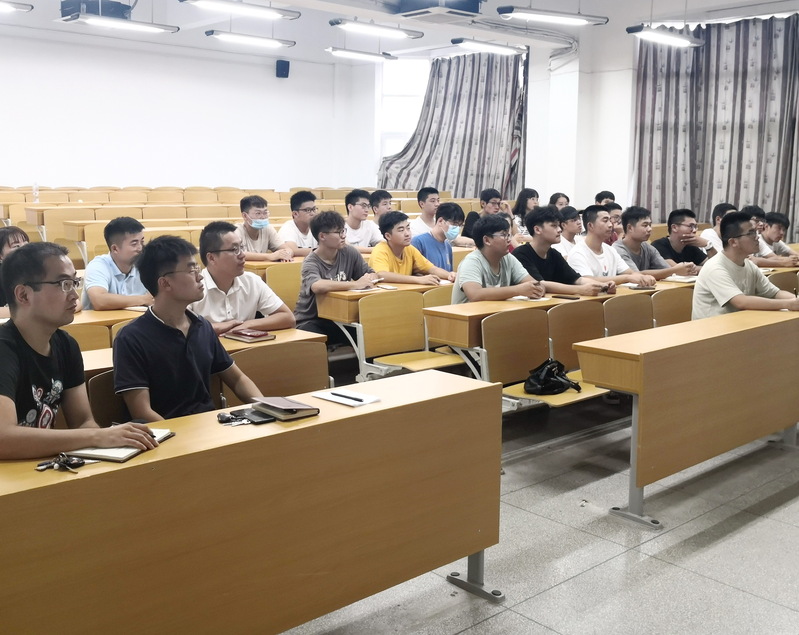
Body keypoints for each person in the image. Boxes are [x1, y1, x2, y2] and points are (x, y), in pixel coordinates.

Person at [0, 242, 157, 459]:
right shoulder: (4, 349)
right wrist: (96, 436)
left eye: (74, 282)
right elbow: (3, 439)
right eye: (63, 284)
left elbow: (83, 422)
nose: (74, 295)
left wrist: (106, 440)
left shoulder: (66, 345)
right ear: (24, 295)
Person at [113, 236, 262, 421]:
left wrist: (267, 408)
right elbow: (142, 412)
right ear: (165, 283)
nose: (200, 276)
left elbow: (238, 380)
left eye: (197, 268)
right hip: (166, 433)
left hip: (209, 426)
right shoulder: (131, 338)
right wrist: (179, 435)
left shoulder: (202, 326)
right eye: (191, 270)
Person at [190, 221, 295, 335]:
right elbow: (181, 328)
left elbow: (288, 318)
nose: (242, 255)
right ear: (211, 258)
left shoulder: (252, 281)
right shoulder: (192, 287)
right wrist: (217, 328)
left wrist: (245, 325)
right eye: (234, 249)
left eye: (241, 247)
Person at [692, 212, 799, 319]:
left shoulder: (749, 265)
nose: (757, 237)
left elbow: (775, 293)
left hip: (738, 322)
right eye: (751, 233)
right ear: (733, 242)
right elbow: (741, 302)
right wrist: (788, 304)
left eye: (756, 232)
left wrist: (795, 299)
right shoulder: (715, 268)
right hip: (713, 326)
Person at [294, 211, 379, 343]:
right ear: (322, 236)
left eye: (343, 231)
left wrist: (370, 278)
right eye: (338, 232)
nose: (343, 236)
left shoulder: (349, 252)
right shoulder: (310, 262)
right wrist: (355, 284)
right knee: (314, 339)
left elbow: (370, 273)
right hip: (312, 320)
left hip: (340, 317)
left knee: (370, 332)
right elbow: (317, 286)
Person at [512, 205, 610, 296]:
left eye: (559, 226)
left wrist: (603, 286)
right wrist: (580, 290)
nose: (559, 230)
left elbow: (577, 279)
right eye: (554, 226)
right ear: (537, 230)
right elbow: (540, 283)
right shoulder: (521, 254)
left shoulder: (554, 254)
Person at [452, 215, 544, 304]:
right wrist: (518, 290)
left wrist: (537, 289)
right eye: (504, 235)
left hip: (495, 312)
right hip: (468, 314)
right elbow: (475, 294)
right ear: (487, 240)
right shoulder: (472, 261)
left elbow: (534, 284)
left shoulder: (508, 258)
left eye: (509, 235)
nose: (509, 240)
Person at [568, 206, 656, 286]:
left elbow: (630, 273)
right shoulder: (578, 253)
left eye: (610, 220)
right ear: (590, 226)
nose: (610, 225)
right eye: (605, 221)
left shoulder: (610, 250)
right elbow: (588, 280)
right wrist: (626, 278)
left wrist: (643, 277)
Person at [82, 216, 152, 310]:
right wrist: (144, 299)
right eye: (134, 244)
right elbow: (99, 300)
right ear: (115, 249)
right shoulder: (98, 266)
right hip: (104, 319)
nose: (140, 248)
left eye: (142, 241)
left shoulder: (145, 264)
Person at [370, 211, 455, 285]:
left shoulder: (409, 249)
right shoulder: (380, 249)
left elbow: (431, 269)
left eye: (408, 228)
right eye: (401, 230)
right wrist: (418, 279)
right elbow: (382, 275)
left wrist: (449, 275)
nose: (407, 233)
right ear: (388, 236)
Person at [614, 207, 699, 279]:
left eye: (650, 225)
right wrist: (675, 270)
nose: (649, 229)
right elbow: (635, 275)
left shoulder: (648, 248)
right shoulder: (618, 250)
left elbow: (666, 269)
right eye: (645, 225)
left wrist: (675, 270)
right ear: (630, 228)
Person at [235, 195, 293, 262]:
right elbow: (236, 253)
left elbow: (288, 249)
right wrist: (269, 256)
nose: (263, 217)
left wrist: (286, 255)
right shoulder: (236, 231)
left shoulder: (268, 228)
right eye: (258, 213)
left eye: (265, 213)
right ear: (245, 216)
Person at [410, 202, 465, 272]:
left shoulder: (447, 246)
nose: (457, 228)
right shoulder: (419, 242)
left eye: (460, 225)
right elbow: (413, 272)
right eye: (454, 224)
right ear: (440, 221)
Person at [0, 226, 30, 318]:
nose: (25, 249)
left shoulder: (39, 270)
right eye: (16, 246)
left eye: (26, 244)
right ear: (1, 256)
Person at [277, 190, 318, 257]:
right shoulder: (288, 228)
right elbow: (292, 250)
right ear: (295, 214)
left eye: (314, 209)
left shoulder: (317, 227)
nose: (312, 213)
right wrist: (321, 251)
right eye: (308, 210)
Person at [344, 189, 382, 254]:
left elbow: (383, 244)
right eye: (363, 206)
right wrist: (374, 249)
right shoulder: (338, 227)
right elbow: (346, 247)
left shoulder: (370, 225)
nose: (367, 210)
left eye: (368, 206)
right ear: (350, 207)